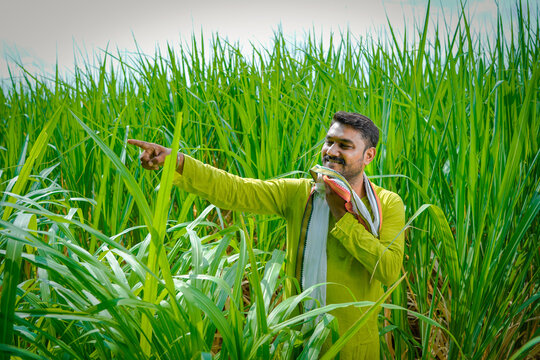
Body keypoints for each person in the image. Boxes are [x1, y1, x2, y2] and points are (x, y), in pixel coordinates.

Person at [128, 111, 405, 359]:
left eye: (344, 145)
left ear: (368, 155)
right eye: (329, 141)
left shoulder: (386, 204)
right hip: (298, 341)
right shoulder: (300, 193)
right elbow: (237, 190)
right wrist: (178, 162)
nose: (331, 151)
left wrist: (341, 216)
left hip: (351, 347)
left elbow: (389, 269)